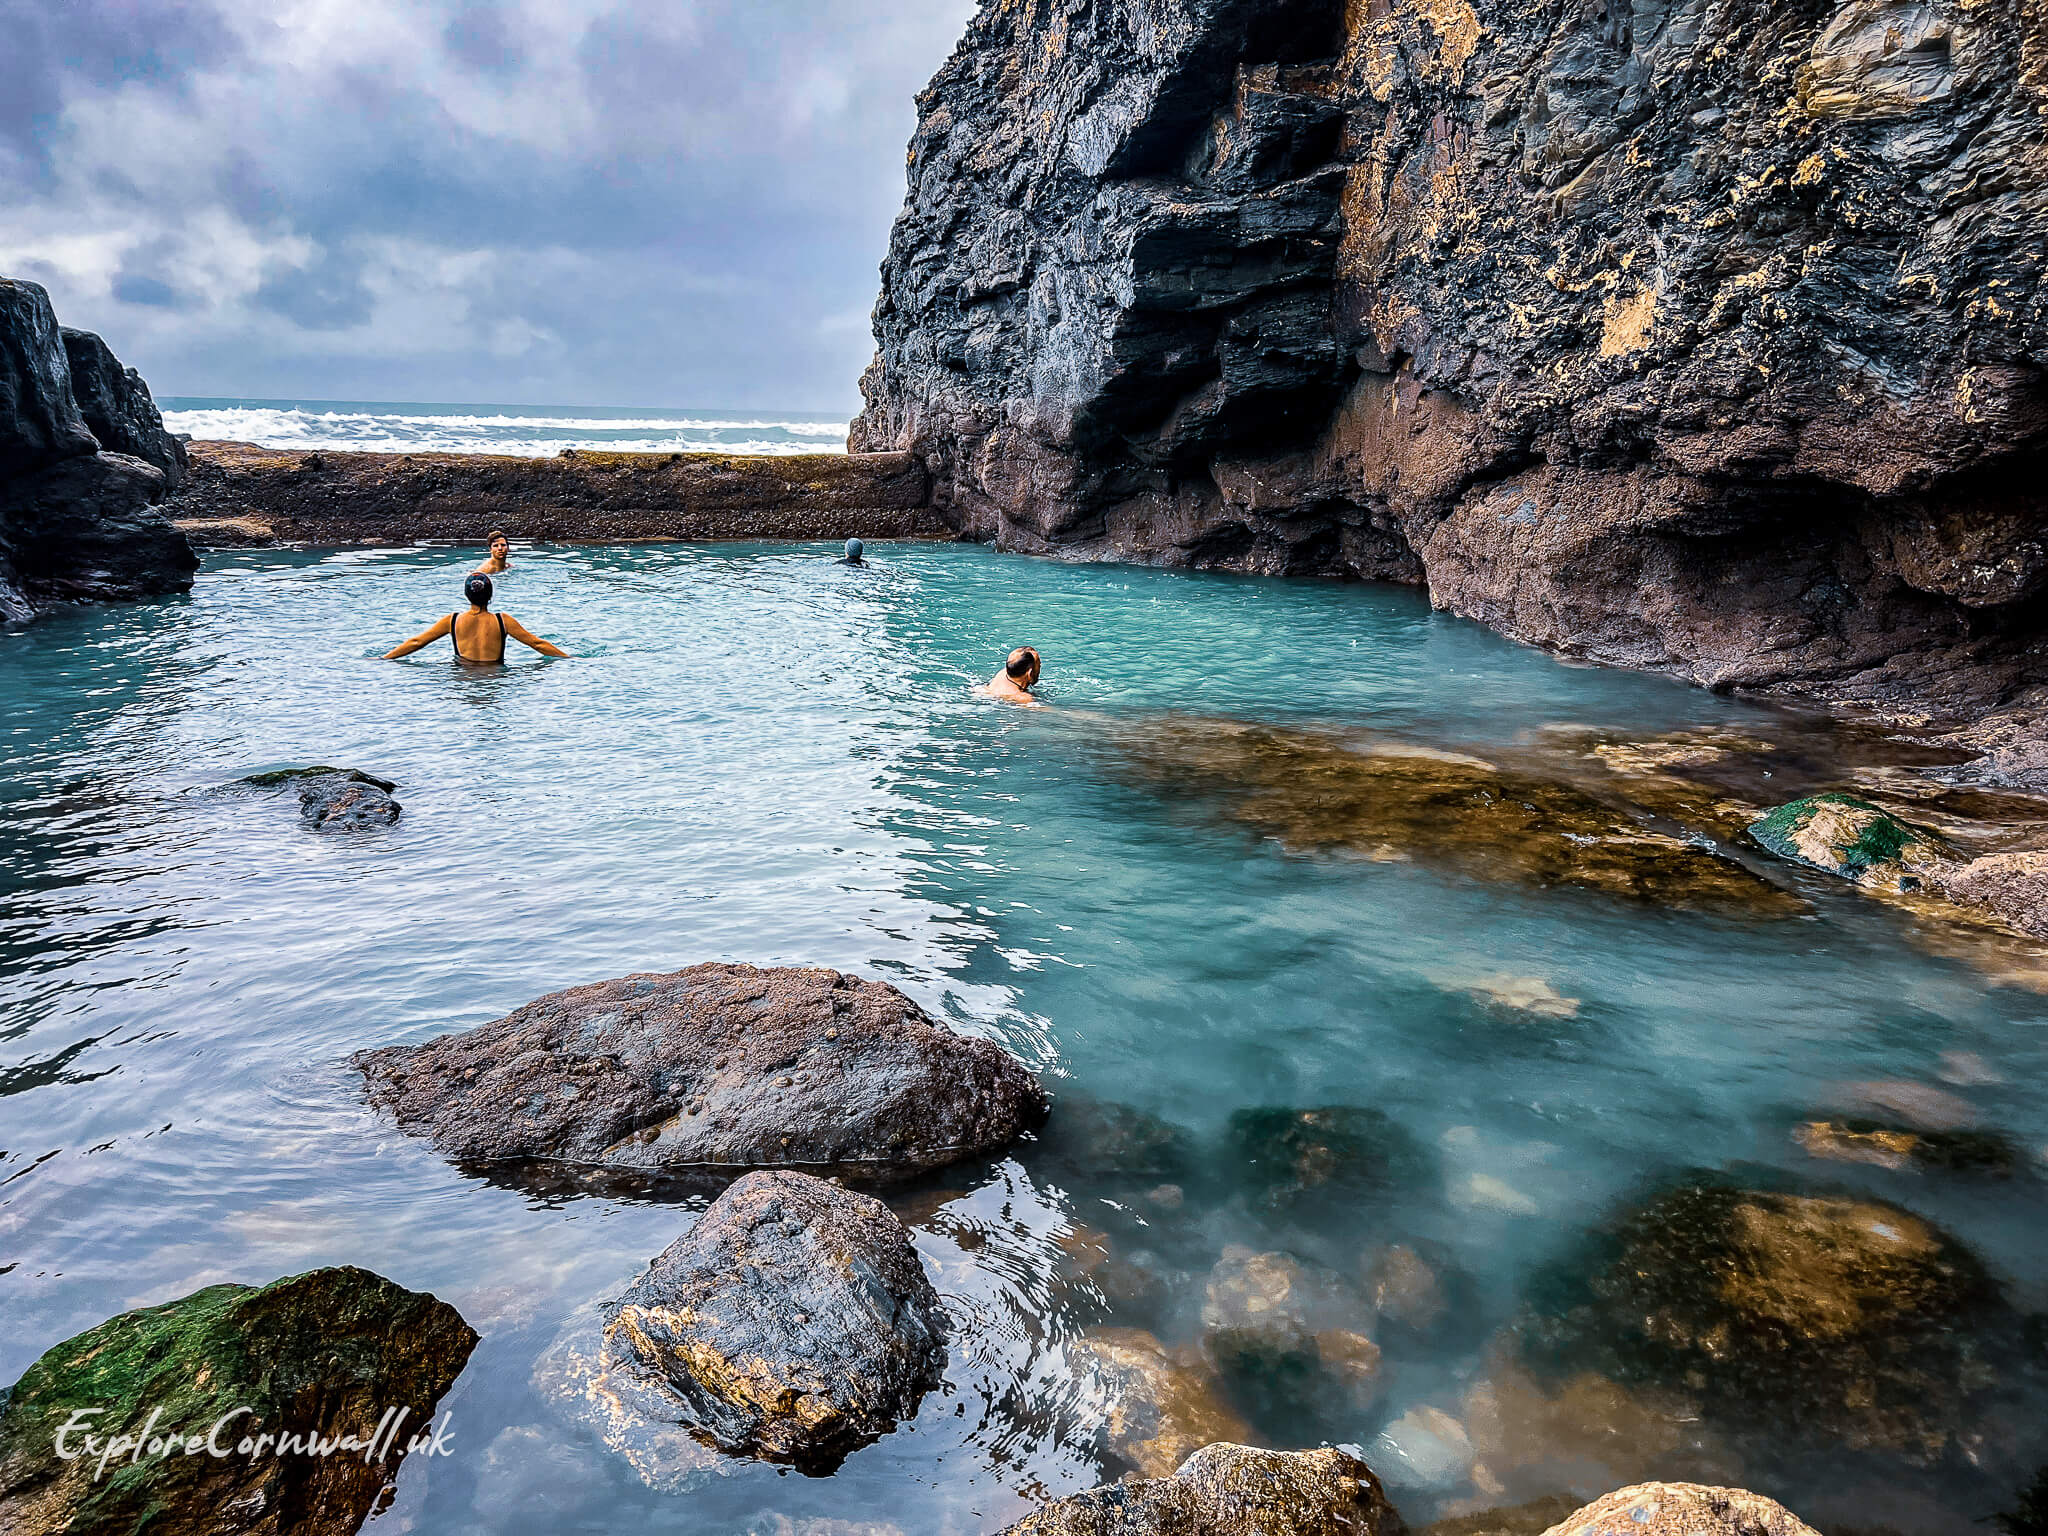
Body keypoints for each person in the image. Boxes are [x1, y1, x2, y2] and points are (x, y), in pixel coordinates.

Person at [384, 573, 568, 662]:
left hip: (464, 679)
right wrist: (570, 659)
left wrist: (384, 659)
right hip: (496, 680)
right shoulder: (502, 620)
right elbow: (537, 644)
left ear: (466, 595)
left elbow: (416, 642)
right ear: (490, 596)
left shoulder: (452, 620)